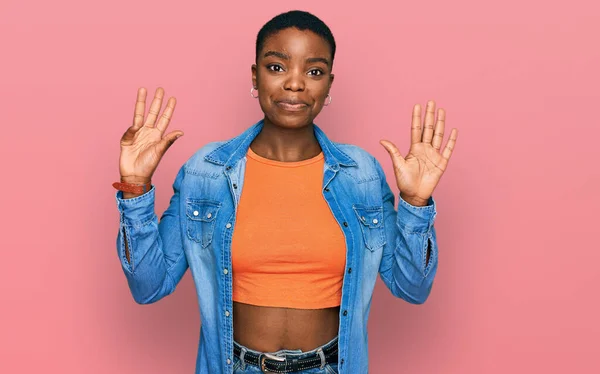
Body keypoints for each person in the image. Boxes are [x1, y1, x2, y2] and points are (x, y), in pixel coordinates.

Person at [113, 10, 457, 374]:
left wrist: (416, 204)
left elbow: (412, 288)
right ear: (255, 76)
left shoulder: (362, 176)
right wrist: (135, 187)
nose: (295, 84)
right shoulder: (207, 172)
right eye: (277, 67)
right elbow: (148, 286)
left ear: (329, 85)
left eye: (314, 71)